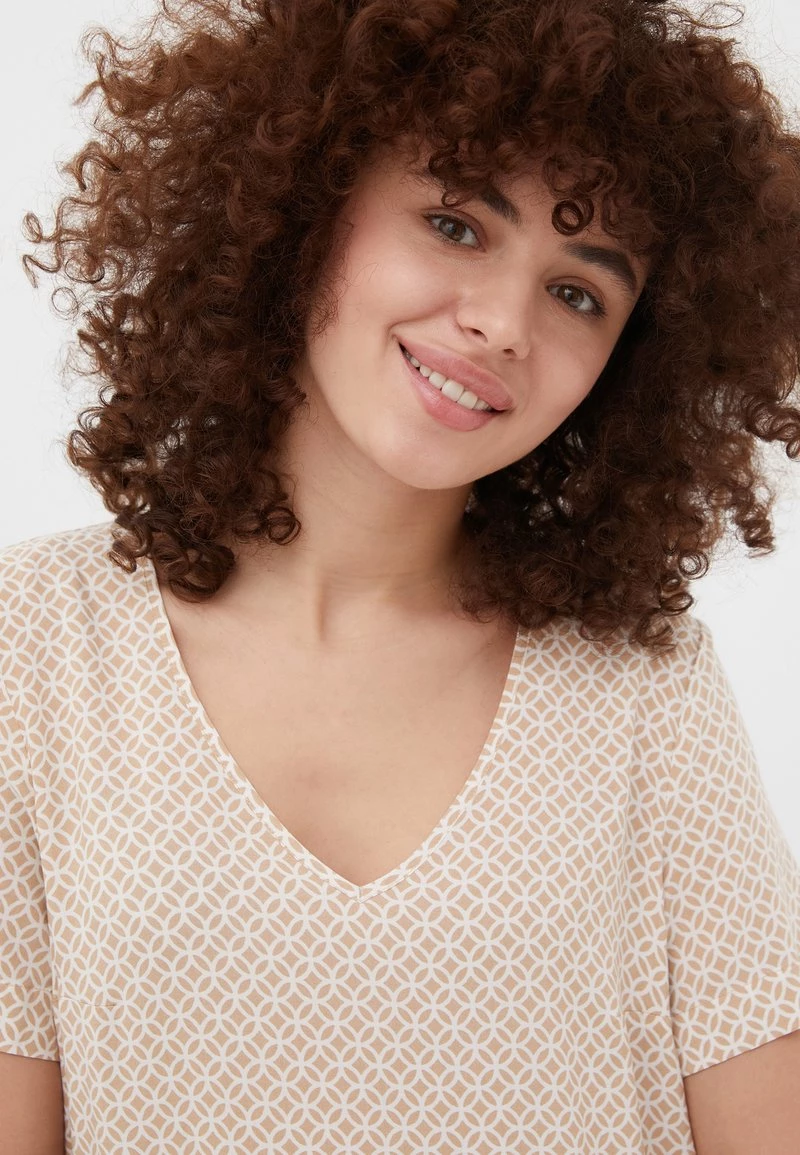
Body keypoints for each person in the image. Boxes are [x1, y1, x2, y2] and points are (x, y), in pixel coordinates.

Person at [2, 0, 800, 1151]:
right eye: (455, 224)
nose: (502, 323)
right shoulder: (35, 642)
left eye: (578, 293)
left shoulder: (641, 683)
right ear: (304, 202)